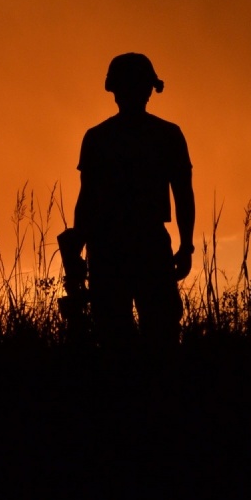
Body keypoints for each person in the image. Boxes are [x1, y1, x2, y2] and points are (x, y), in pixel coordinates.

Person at [69, 52, 194, 348]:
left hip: (109, 249)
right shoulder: (167, 135)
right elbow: (184, 196)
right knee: (158, 336)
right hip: (145, 245)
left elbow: (86, 201)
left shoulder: (98, 137)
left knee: (117, 338)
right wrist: (185, 245)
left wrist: (78, 251)